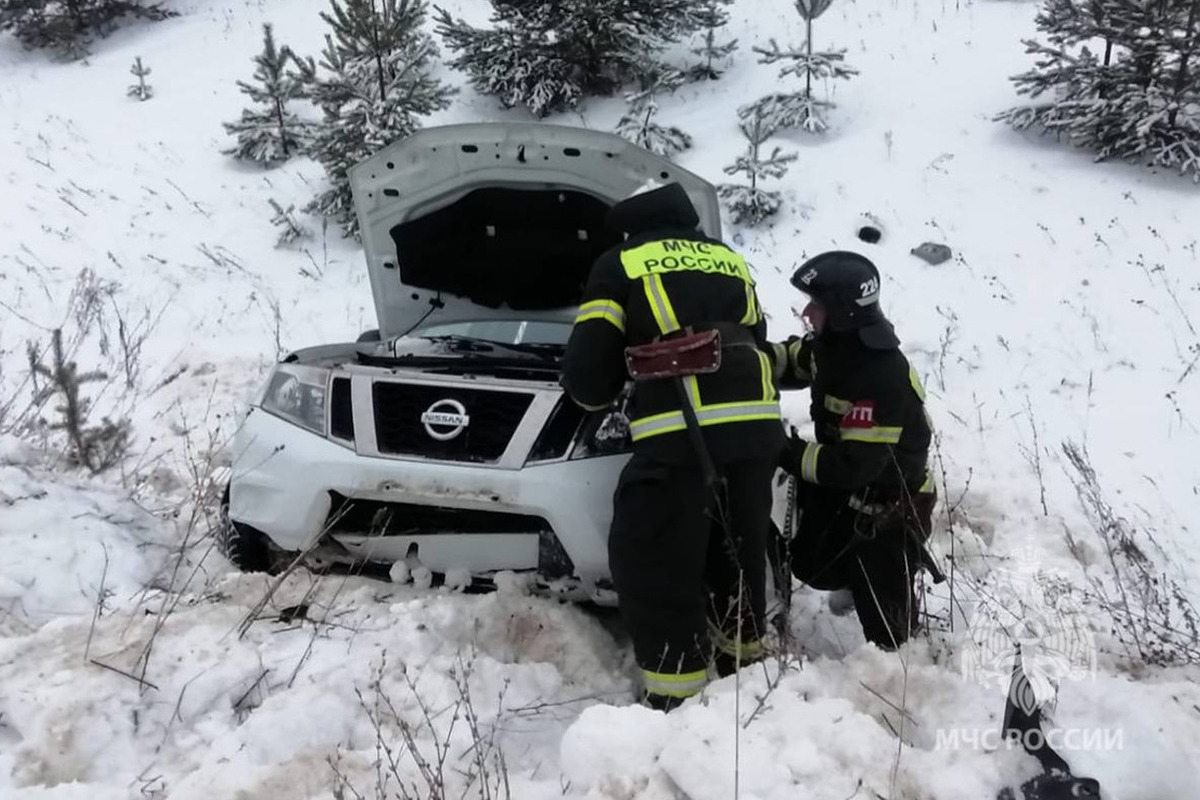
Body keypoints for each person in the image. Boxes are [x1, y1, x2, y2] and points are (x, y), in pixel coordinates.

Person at [561, 181, 785, 710]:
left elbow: (590, 380)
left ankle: (675, 695)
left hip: (682, 429)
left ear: (630, 223)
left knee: (653, 556)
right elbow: (756, 335)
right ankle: (745, 673)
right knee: (737, 548)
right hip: (755, 425)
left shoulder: (621, 262)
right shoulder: (728, 259)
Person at [769, 250, 937, 650]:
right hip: (852, 496)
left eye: (817, 304)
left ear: (843, 312)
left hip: (888, 513)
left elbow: (851, 466)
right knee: (811, 560)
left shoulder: (878, 375)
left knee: (891, 639)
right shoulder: (838, 348)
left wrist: (784, 451)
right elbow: (790, 360)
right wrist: (740, 354)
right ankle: (845, 580)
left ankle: (901, 667)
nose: (807, 312)